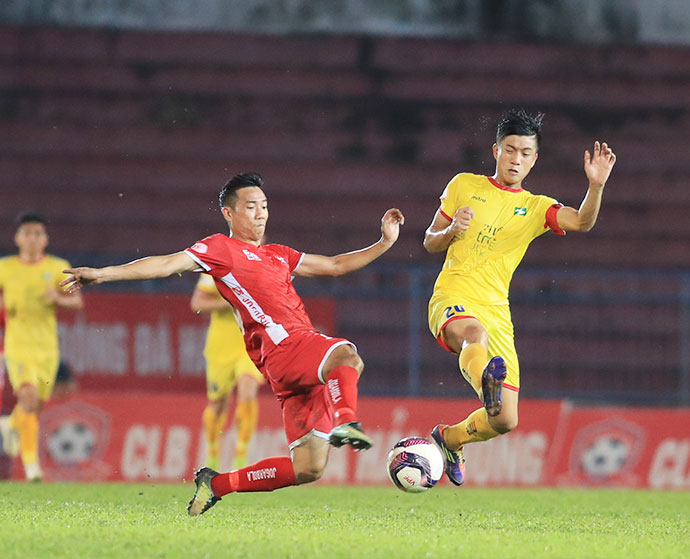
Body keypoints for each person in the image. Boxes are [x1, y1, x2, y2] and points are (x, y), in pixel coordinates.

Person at [61, 172, 404, 515]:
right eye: (251, 207)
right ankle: (347, 419)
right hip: (285, 347)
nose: (260, 214)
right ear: (229, 213)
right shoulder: (220, 249)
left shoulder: (278, 255)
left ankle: (216, 484)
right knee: (346, 355)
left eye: (265, 206)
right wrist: (103, 273)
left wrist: (384, 242)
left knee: (308, 468)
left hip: (290, 361)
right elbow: (166, 264)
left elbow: (334, 265)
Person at [423, 109, 616, 485]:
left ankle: (448, 439)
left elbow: (582, 222)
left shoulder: (535, 207)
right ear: (496, 150)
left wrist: (596, 186)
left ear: (534, 159)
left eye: (525, 153)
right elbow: (430, 240)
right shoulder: (464, 184)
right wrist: (450, 232)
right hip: (453, 295)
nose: (516, 159)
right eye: (510, 149)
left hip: (498, 311)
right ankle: (486, 385)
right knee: (473, 335)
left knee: (506, 420)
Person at [0, 213, 84, 480]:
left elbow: (77, 302)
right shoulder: (5, 268)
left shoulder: (59, 266)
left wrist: (58, 298)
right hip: (17, 345)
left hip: (47, 348)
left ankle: (10, 425)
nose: (32, 238)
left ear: (45, 238)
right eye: (27, 233)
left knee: (34, 407)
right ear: (17, 238)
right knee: (26, 396)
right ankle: (32, 467)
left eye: (38, 233)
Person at [191, 274, 264, 470]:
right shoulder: (214, 270)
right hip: (221, 347)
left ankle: (241, 456)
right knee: (217, 404)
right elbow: (197, 303)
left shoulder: (263, 267)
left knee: (247, 393)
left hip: (250, 343)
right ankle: (212, 454)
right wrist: (231, 302)